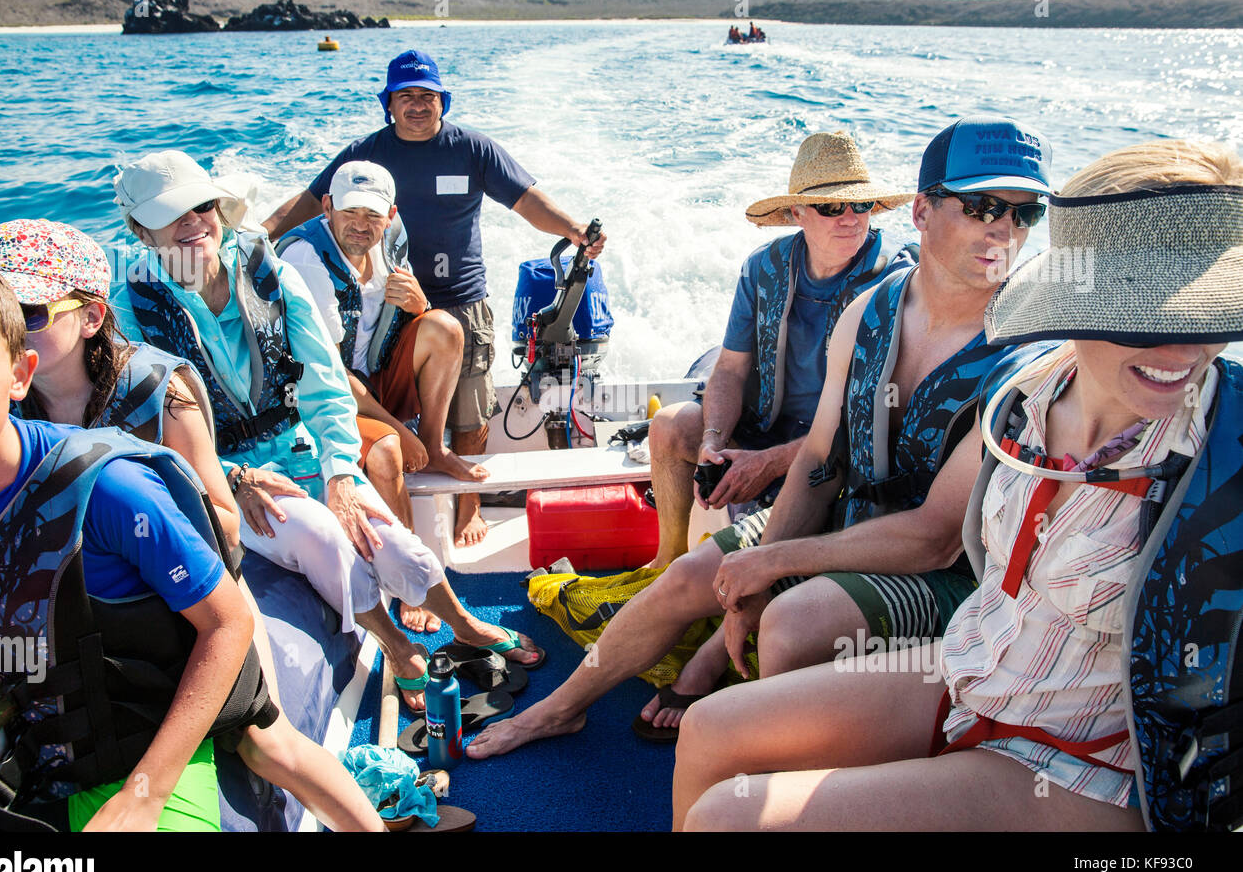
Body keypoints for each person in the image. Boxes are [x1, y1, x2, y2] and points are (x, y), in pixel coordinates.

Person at [674, 138, 1243, 831]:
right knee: (705, 732)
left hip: (1079, 761)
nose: (1184, 349)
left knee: (726, 818)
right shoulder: (1026, 396)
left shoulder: (1223, 447)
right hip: (969, 672)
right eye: (1148, 313)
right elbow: (825, 460)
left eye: (1212, 314)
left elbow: (936, 537)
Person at [466, 115, 1050, 756]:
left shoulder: (1024, 359)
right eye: (983, 206)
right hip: (849, 518)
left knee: (790, 624)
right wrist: (753, 567)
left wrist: (770, 565)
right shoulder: (871, 311)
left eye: (1027, 214)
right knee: (690, 576)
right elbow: (822, 459)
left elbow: (936, 540)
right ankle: (558, 709)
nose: (1004, 228)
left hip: (946, 576)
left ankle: (768, 771)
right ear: (921, 210)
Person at [0, 218, 385, 831]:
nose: (8, 329)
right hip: (77, 614)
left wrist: (139, 518)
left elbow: (220, 521)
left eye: (28, 310)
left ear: (90, 316)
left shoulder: (159, 391)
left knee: (266, 742)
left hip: (188, 589)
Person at [111, 150, 543, 713]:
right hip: (228, 475)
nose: (194, 223)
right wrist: (232, 477)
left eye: (202, 206)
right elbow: (145, 436)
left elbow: (322, 382)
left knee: (390, 541)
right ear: (140, 231)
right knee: (321, 537)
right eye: (173, 215)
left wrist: (341, 470)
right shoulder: (129, 314)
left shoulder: (270, 272)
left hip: (302, 447)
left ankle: (463, 624)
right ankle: (399, 646)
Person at [0, 252, 257, 831]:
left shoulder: (109, 488)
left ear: (20, 375)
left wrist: (147, 791)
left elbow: (228, 623)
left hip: (129, 752)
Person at [264, 49, 607, 547]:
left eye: (428, 96)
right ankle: (396, 470)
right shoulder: (367, 154)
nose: (418, 106)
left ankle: (469, 508)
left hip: (461, 301)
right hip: (385, 304)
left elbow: (526, 200)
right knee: (379, 391)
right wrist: (259, 234)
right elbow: (310, 200)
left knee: (471, 412)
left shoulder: (473, 149)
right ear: (389, 104)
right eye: (406, 97)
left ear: (442, 101)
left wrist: (574, 229)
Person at [647, 131, 915, 573]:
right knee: (672, 425)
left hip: (846, 450)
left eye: (861, 205)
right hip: (764, 429)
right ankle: (666, 559)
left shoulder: (896, 283)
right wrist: (713, 440)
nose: (849, 218)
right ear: (797, 213)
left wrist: (769, 464)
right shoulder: (763, 268)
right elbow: (730, 370)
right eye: (831, 207)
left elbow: (879, 416)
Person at [277, 160, 487, 565]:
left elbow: (399, 324)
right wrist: (395, 429)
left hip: (373, 377)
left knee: (445, 327)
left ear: (390, 215)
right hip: (320, 396)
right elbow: (329, 375)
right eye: (349, 211)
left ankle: (432, 444)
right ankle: (411, 575)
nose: (360, 224)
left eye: (372, 214)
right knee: (388, 450)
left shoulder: (390, 238)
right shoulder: (307, 259)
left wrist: (420, 304)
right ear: (327, 206)